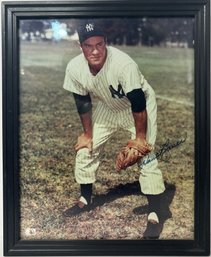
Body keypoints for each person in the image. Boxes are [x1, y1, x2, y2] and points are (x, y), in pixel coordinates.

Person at [63, 21, 171, 239]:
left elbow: (138, 101)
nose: (95, 50)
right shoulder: (75, 68)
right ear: (80, 46)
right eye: (88, 45)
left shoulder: (123, 64)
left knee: (146, 156)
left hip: (138, 107)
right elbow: (82, 101)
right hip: (108, 106)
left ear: (106, 43)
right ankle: (85, 199)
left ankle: (156, 213)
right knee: (86, 148)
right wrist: (87, 133)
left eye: (100, 44)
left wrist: (140, 139)